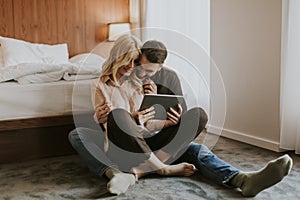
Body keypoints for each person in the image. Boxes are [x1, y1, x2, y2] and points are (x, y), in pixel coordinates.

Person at [69, 38, 293, 197]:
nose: (130, 68)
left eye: (134, 62)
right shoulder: (99, 85)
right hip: (123, 147)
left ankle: (243, 180)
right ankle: (158, 168)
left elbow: (149, 127)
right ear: (116, 59)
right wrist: (110, 118)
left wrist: (167, 122)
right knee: (106, 121)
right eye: (128, 62)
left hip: (149, 145)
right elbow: (114, 126)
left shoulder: (143, 84)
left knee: (197, 122)